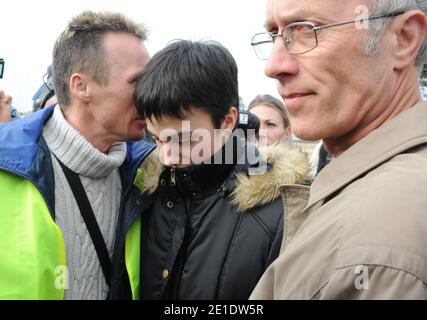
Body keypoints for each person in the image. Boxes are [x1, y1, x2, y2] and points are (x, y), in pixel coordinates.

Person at [250, 0, 427, 299]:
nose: (274, 66)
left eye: (306, 30)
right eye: (274, 34)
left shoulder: (373, 240)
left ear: (403, 39)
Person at [125, 40, 310, 300]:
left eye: (184, 139)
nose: (168, 157)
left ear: (228, 121)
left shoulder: (283, 212)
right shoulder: (145, 192)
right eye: (157, 138)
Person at [0, 11, 154, 300]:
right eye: (138, 82)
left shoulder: (151, 173)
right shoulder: (5, 166)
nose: (153, 94)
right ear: (81, 86)